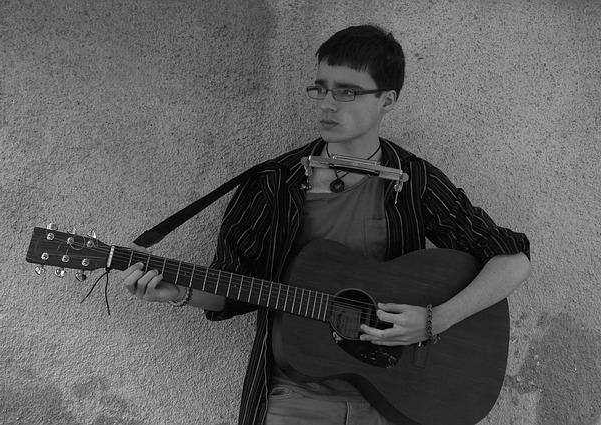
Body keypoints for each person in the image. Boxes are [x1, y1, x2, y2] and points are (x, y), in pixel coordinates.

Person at [121, 25, 531, 425]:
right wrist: (181, 292)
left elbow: (512, 260)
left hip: (397, 400)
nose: (326, 104)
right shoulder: (273, 182)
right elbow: (238, 286)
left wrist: (434, 320)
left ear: (387, 100)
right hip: (293, 400)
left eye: (347, 91)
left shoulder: (414, 180)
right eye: (321, 88)